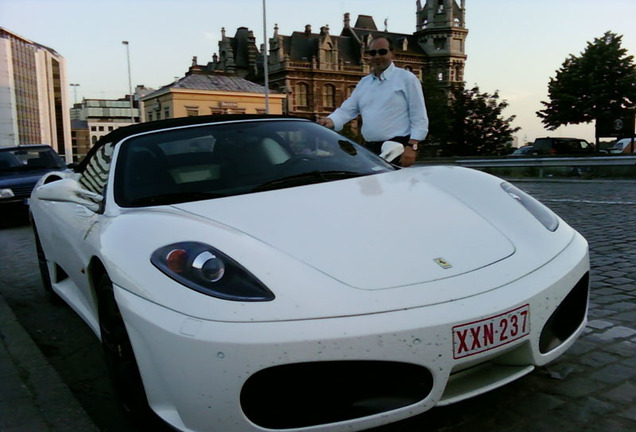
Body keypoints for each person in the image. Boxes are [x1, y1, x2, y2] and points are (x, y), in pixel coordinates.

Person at [317, 36, 429, 166]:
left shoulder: (407, 79)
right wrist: (330, 120)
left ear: (392, 53)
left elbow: (419, 117)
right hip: (371, 150)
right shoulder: (365, 83)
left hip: (398, 148)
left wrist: (412, 146)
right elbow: (347, 110)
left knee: (394, 185)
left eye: (382, 52)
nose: (377, 56)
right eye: (372, 53)